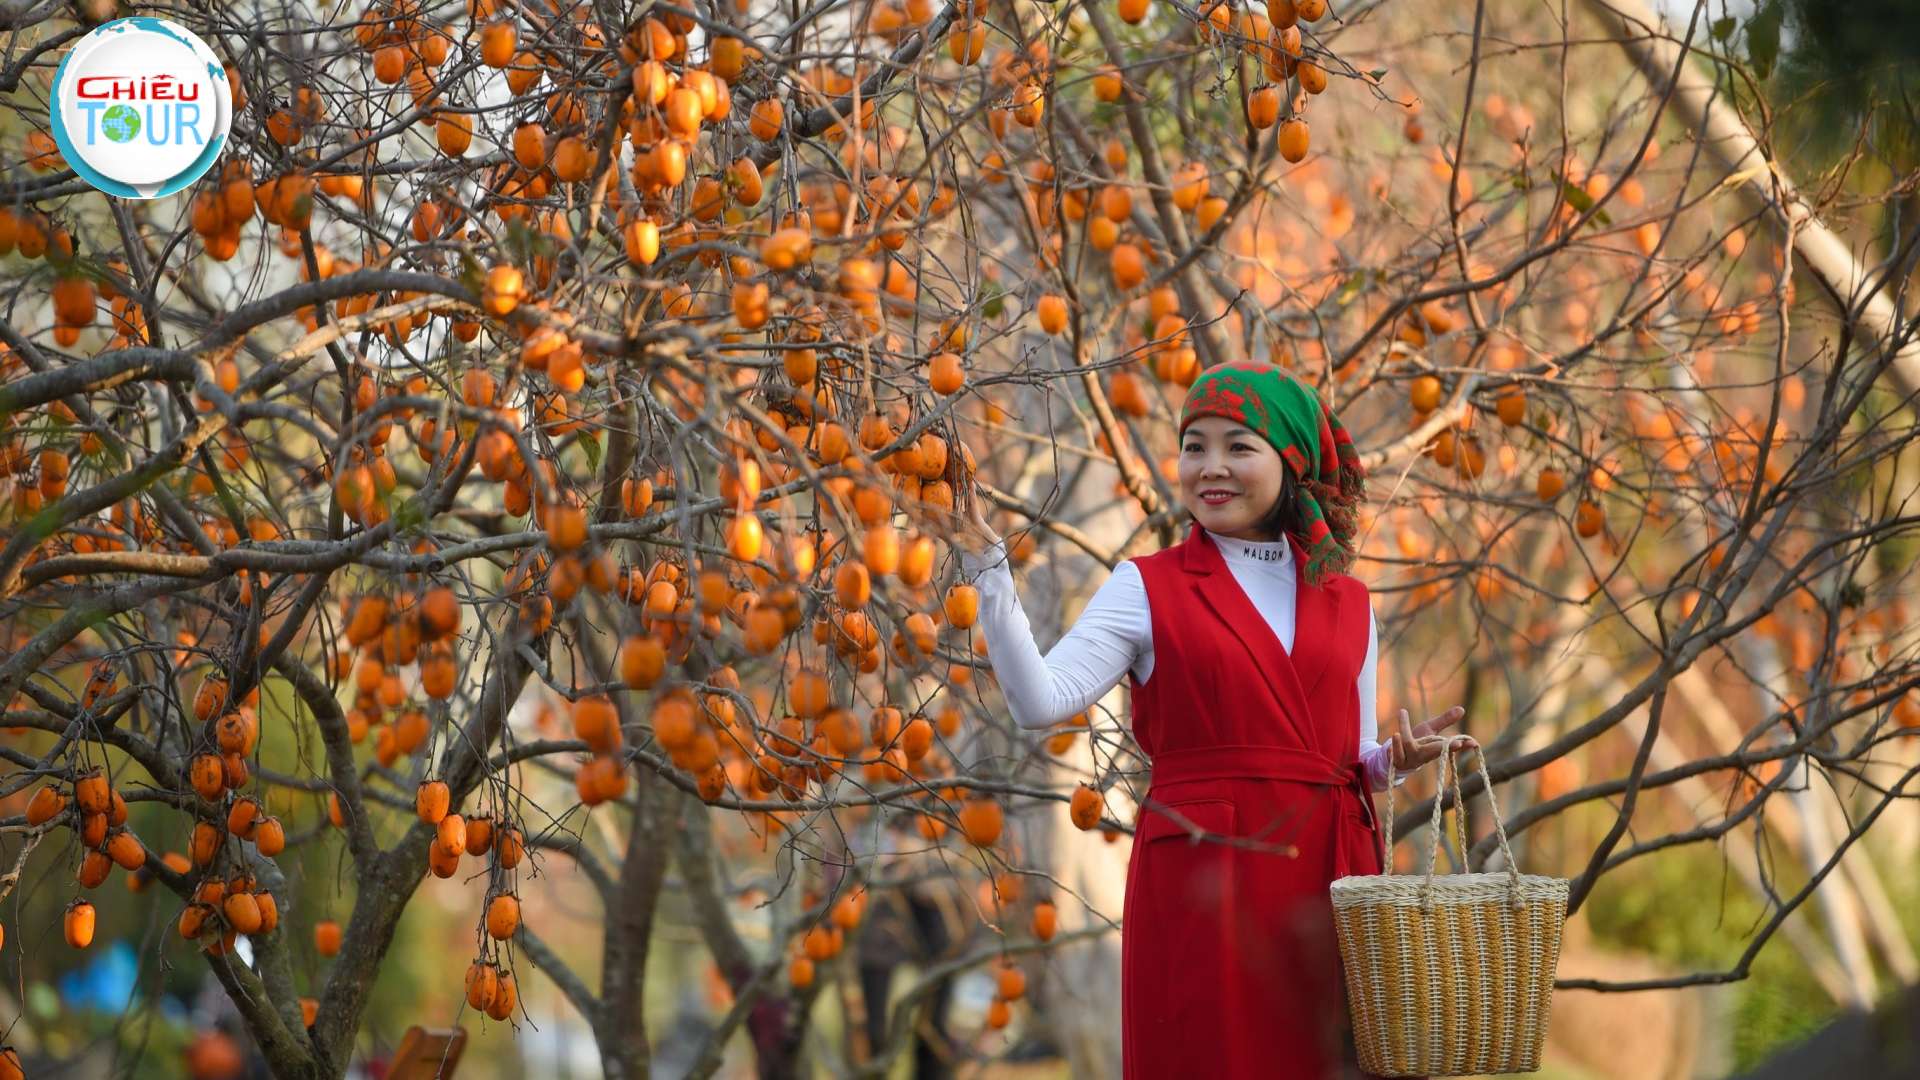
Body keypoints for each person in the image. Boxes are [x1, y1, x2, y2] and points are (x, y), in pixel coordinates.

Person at [947, 360, 1477, 1080]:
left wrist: (1391, 761)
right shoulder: (1147, 586)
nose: (1210, 468)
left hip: (1327, 883)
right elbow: (1039, 700)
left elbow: (1344, 754)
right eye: (1194, 446)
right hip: (1204, 879)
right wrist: (986, 564)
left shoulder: (1350, 601)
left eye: (1238, 446)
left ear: (1288, 463)